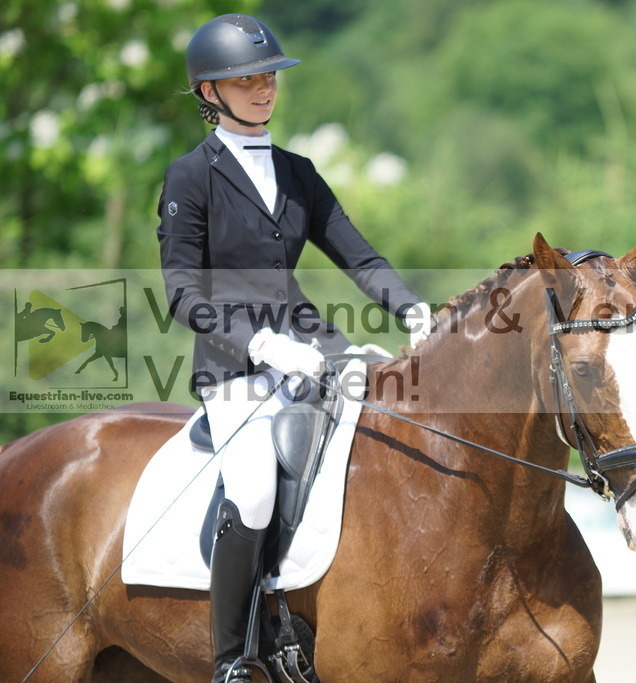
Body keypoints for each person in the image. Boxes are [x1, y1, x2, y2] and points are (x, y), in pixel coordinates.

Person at [156, 13, 431, 682]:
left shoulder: (298, 172)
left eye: (269, 77)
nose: (263, 89)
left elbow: (360, 257)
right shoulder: (190, 177)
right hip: (235, 367)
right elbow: (182, 293)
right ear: (210, 92)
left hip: (316, 346)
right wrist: (261, 344)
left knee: (396, 431)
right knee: (253, 491)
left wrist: (413, 308)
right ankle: (232, 658)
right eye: (245, 80)